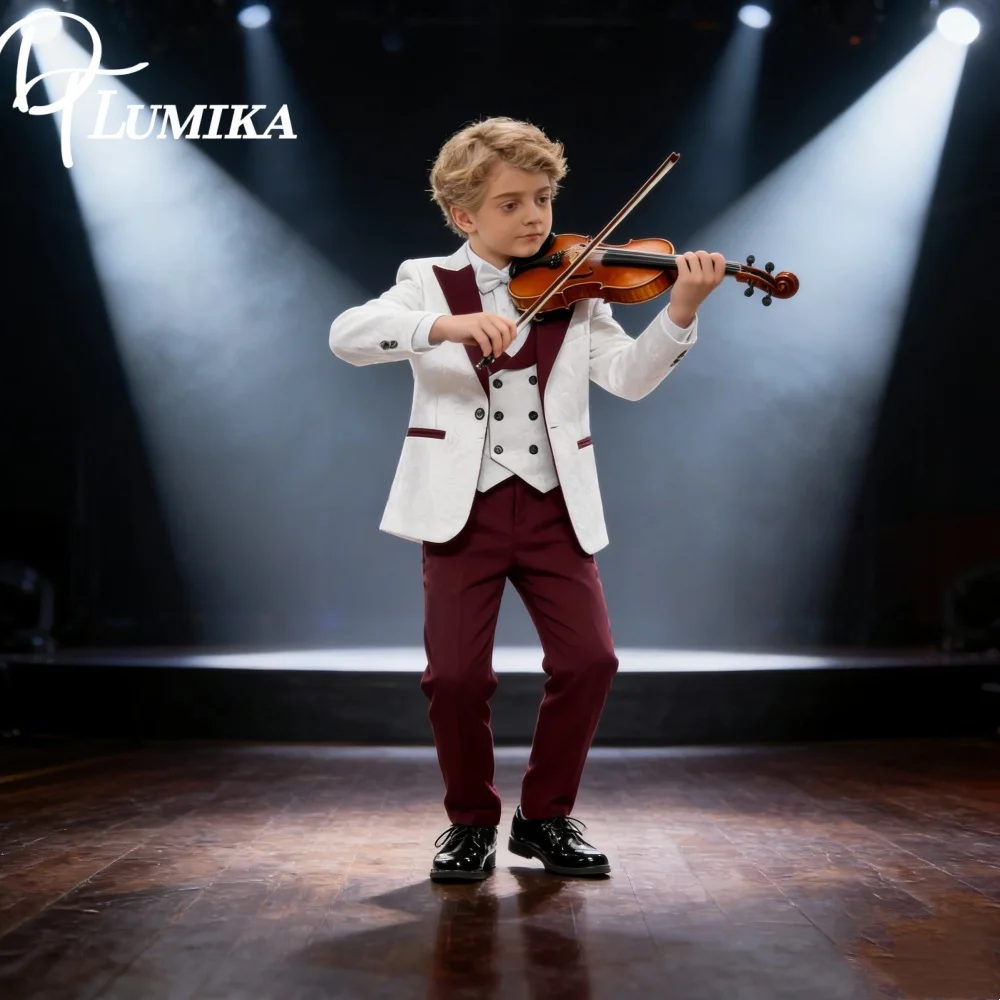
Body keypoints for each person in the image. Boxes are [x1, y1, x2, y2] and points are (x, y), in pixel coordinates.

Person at [329, 117, 725, 882]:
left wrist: (681, 311)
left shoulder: (578, 287)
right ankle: (470, 823)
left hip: (554, 506)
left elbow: (631, 379)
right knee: (453, 677)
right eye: (511, 204)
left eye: (543, 198)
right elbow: (350, 334)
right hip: (462, 508)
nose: (536, 217)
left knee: (591, 660)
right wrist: (441, 325)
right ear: (464, 216)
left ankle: (544, 818)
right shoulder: (425, 280)